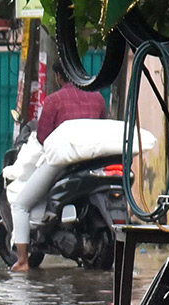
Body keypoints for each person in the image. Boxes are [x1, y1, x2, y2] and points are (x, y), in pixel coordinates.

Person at [9, 61, 109, 271]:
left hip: (62, 164)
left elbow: (44, 137)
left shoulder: (54, 101)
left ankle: (23, 261)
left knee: (20, 204)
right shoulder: (98, 98)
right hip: (95, 163)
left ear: (58, 76)